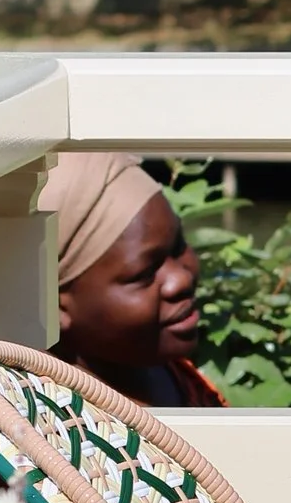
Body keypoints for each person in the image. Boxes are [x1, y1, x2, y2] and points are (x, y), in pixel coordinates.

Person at [43, 153, 226, 409]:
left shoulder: (170, 373)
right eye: (145, 273)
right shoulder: (64, 435)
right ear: (57, 306)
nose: (181, 279)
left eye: (178, 246)